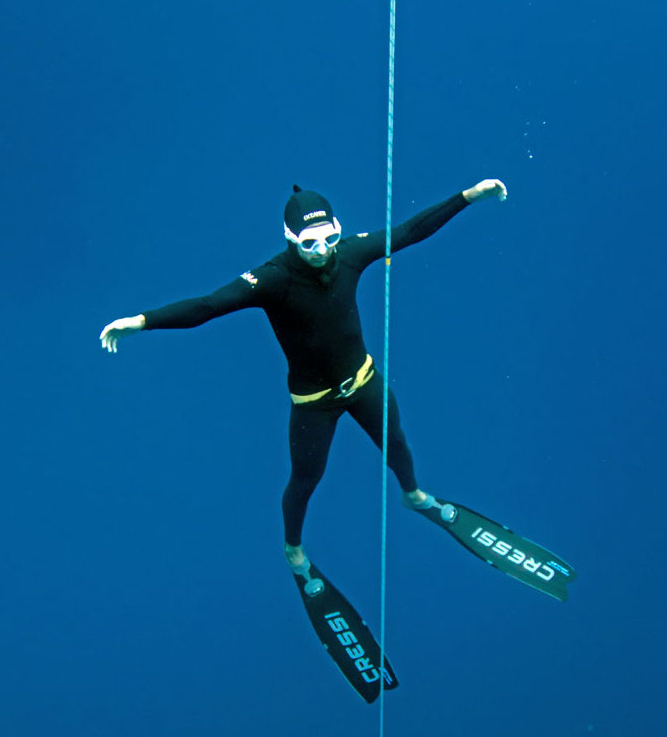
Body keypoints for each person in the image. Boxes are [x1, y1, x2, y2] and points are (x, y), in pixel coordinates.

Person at [100, 178, 507, 571]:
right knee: (306, 479)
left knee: (397, 442)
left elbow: (410, 231)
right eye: (309, 243)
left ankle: (413, 494)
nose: (321, 250)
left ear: (337, 230)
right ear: (290, 238)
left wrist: (468, 196)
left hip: (365, 383)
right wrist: (141, 321)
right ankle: (292, 546)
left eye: (328, 238)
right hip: (314, 405)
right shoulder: (272, 279)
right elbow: (207, 306)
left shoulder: (348, 253)